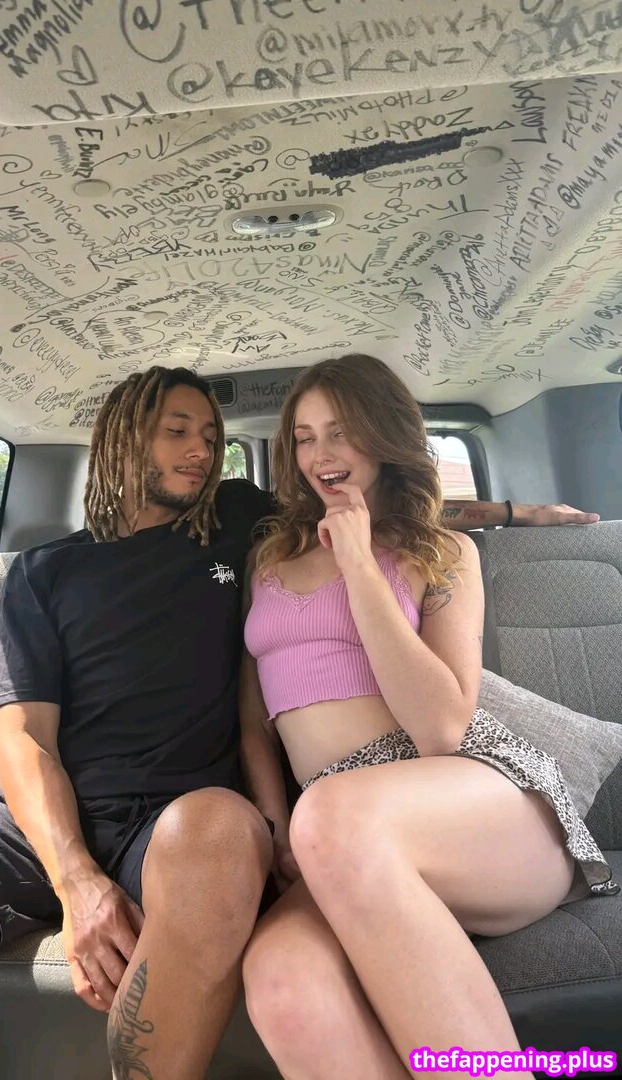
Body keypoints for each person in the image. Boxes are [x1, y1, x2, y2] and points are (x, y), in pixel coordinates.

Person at [0, 365, 603, 1080]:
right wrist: (76, 879)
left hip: (187, 824)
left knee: (221, 836)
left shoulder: (239, 521)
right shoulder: (42, 573)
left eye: (212, 436)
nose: (202, 450)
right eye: (178, 430)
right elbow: (22, 738)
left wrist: (510, 511)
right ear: (123, 437)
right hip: (50, 826)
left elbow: (368, 503)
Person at [238, 355, 617, 1080]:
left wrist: (358, 565)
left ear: (383, 436)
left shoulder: (443, 553)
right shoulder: (269, 557)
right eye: (306, 438)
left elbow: (442, 728)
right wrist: (274, 822)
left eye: (341, 432)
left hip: (470, 800)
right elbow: (252, 712)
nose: (321, 454)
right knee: (284, 981)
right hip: (337, 833)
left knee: (335, 817)